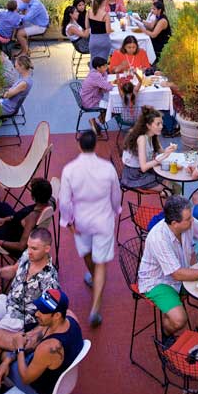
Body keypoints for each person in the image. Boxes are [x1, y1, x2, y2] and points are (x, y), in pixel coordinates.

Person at [137, 195, 198, 336]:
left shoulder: (188, 223)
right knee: (179, 320)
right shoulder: (158, 238)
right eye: (188, 219)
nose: (192, 220)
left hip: (184, 272)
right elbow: (177, 274)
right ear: (174, 223)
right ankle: (166, 335)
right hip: (158, 281)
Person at [59, 130, 121, 327]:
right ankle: (95, 307)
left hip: (82, 221)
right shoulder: (107, 168)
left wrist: (67, 220)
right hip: (103, 219)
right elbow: (116, 194)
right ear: (95, 145)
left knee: (87, 253)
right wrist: (115, 209)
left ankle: (94, 278)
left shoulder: (69, 170)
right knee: (101, 262)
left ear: (79, 146)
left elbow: (64, 201)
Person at [0, 228, 59, 363]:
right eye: (29, 246)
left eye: (34, 249)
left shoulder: (50, 279)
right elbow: (13, 270)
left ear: (47, 249)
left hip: (21, 317)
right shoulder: (27, 254)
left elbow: (49, 316)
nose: (29, 252)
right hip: (7, 302)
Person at [0, 289, 84, 394]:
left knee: (1, 356)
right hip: (54, 370)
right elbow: (35, 340)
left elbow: (25, 378)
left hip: (40, 388)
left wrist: (19, 348)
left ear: (56, 315)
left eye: (43, 311)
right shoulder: (69, 316)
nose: (37, 313)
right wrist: (9, 360)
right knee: (7, 358)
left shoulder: (49, 347)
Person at [0, 177, 55, 272]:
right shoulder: (50, 203)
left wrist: (1, 243)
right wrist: (6, 219)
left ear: (35, 196)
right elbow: (20, 217)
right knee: (2, 207)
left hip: (13, 238)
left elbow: (21, 246)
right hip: (17, 225)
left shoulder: (32, 217)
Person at [121, 107, 176, 198]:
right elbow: (144, 167)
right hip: (135, 175)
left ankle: (168, 195)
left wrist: (168, 150)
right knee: (170, 185)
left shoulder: (152, 135)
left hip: (144, 171)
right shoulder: (142, 138)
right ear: (148, 126)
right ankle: (169, 198)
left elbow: (162, 152)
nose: (161, 126)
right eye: (158, 124)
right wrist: (163, 156)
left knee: (170, 176)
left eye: (161, 123)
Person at [78, 56, 111, 135]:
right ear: (98, 68)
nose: (107, 67)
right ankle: (96, 121)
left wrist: (105, 72)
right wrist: (114, 84)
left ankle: (96, 123)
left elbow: (104, 83)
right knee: (113, 107)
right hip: (90, 102)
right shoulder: (96, 76)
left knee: (110, 106)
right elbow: (108, 87)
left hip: (87, 99)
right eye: (104, 66)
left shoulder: (94, 72)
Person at [86, 0, 112, 65]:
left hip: (93, 40)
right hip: (104, 40)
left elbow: (87, 27)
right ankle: (102, 76)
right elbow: (108, 31)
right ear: (103, 1)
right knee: (103, 63)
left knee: (93, 62)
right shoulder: (105, 15)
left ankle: (93, 75)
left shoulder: (89, 12)